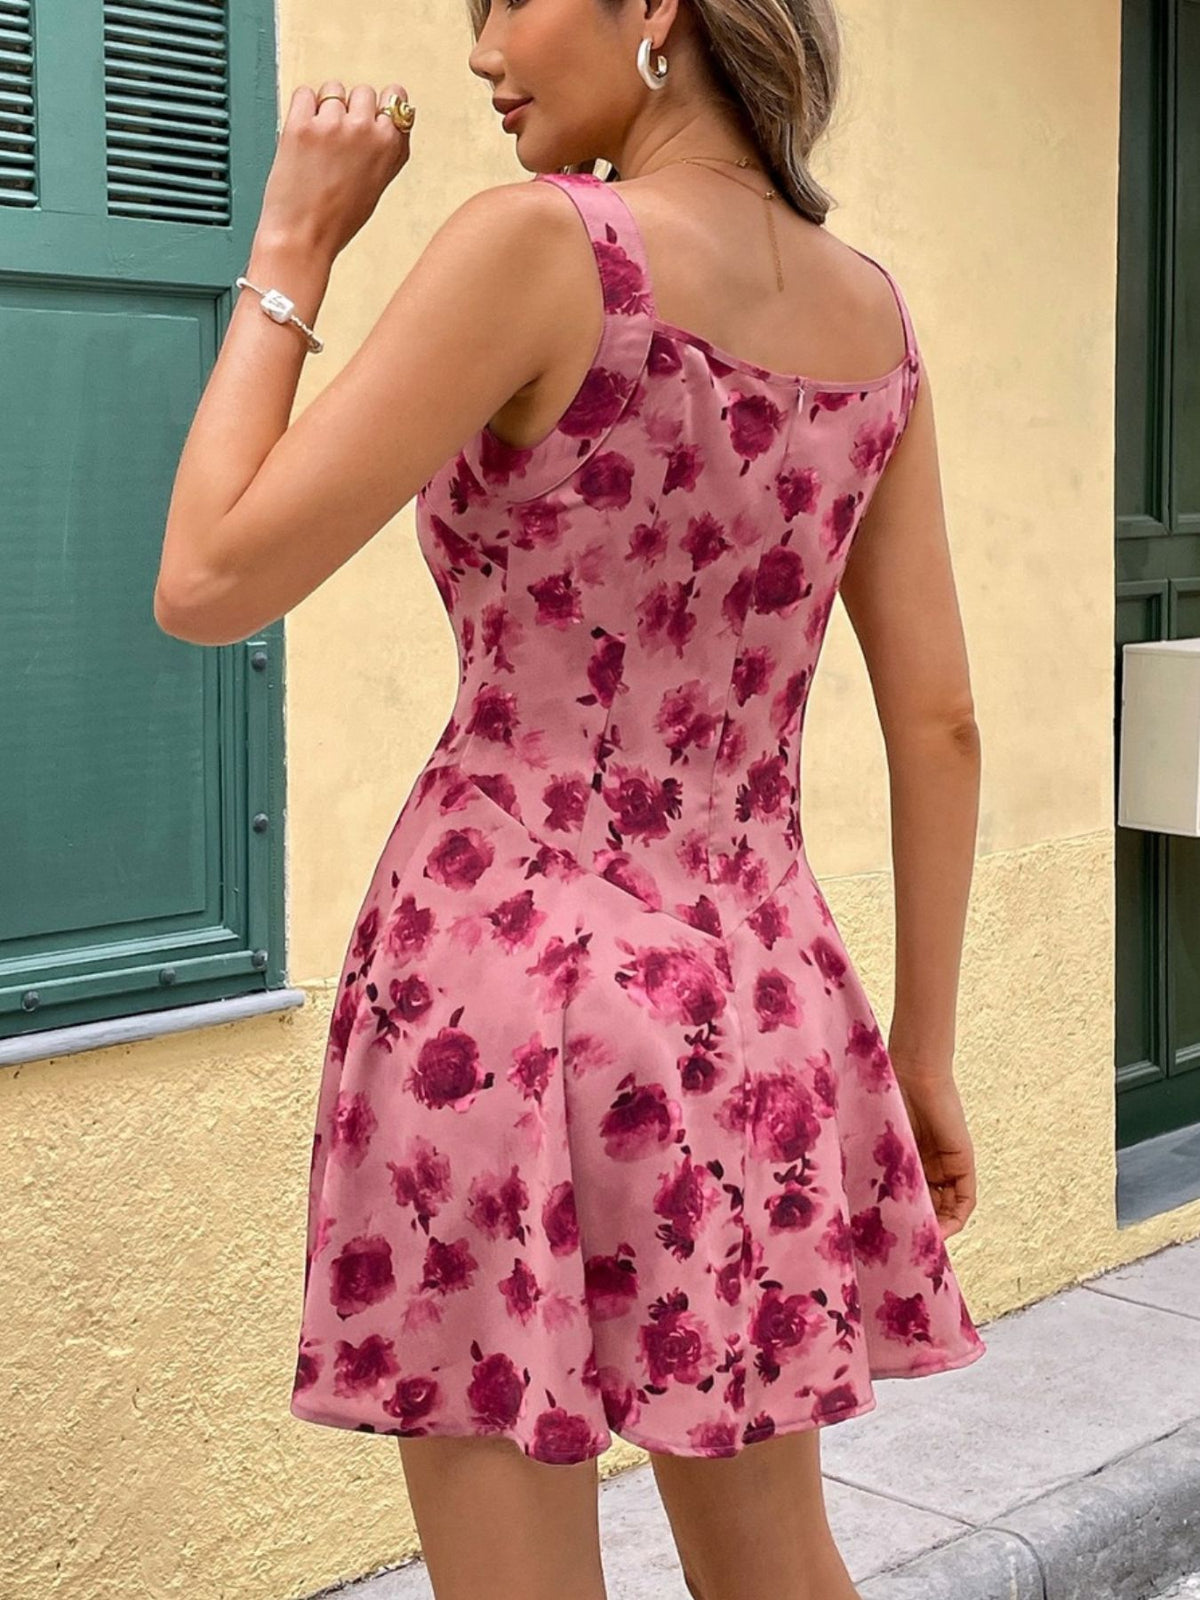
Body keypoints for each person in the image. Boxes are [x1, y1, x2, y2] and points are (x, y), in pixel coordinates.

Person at [155, 2, 986, 1597]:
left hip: (497, 974)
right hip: (759, 1000)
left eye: (509, 3)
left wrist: (294, 244)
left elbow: (207, 578)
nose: (481, 53)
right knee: (774, 1560)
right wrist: (922, 1055)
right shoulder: (873, 318)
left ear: (653, 9)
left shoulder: (541, 248)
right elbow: (939, 722)